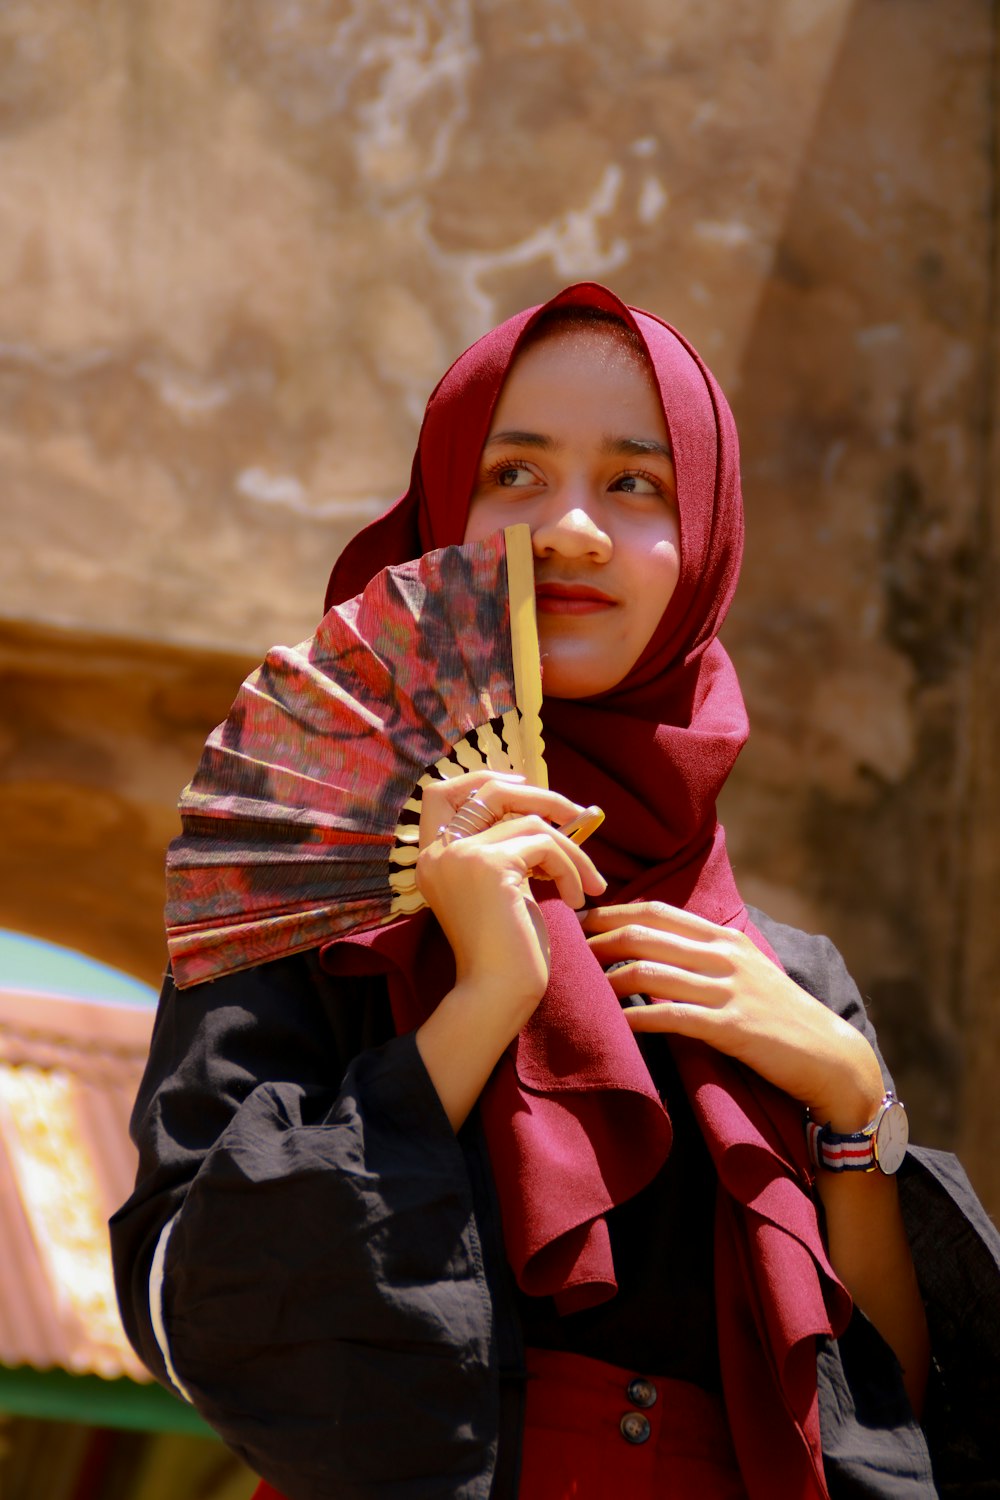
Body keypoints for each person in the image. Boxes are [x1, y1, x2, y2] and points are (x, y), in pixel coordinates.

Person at [111, 283, 1000, 1500]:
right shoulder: (309, 901)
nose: (570, 530)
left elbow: (888, 1416)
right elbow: (197, 1310)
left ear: (706, 550)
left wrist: (852, 1106)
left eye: (637, 484)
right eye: (513, 475)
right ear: (440, 511)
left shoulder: (783, 983)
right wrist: (479, 1003)